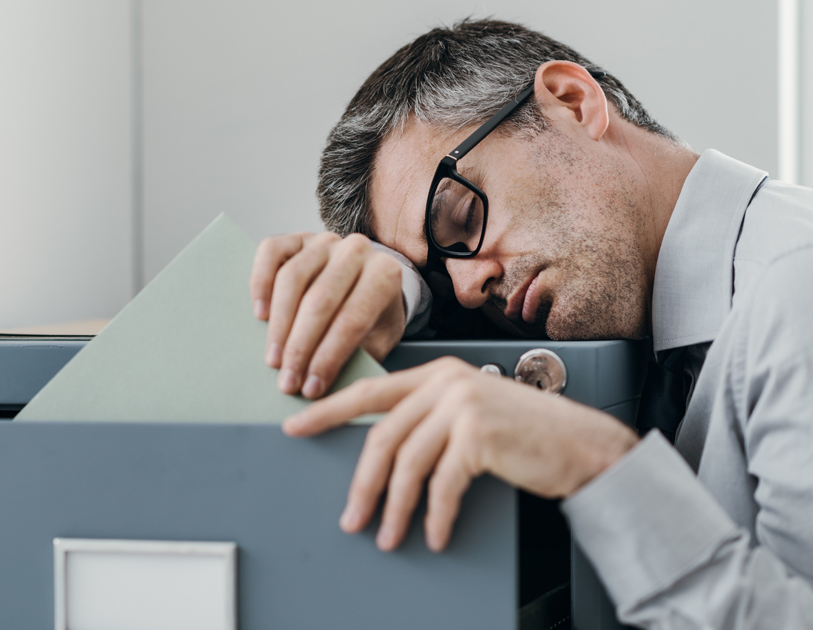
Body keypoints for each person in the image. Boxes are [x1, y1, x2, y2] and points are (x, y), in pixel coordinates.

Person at [249, 19, 813, 629]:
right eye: (441, 279)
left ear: (573, 102)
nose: (468, 290)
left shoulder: (795, 291)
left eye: (462, 218)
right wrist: (394, 280)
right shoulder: (635, 316)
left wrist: (601, 469)